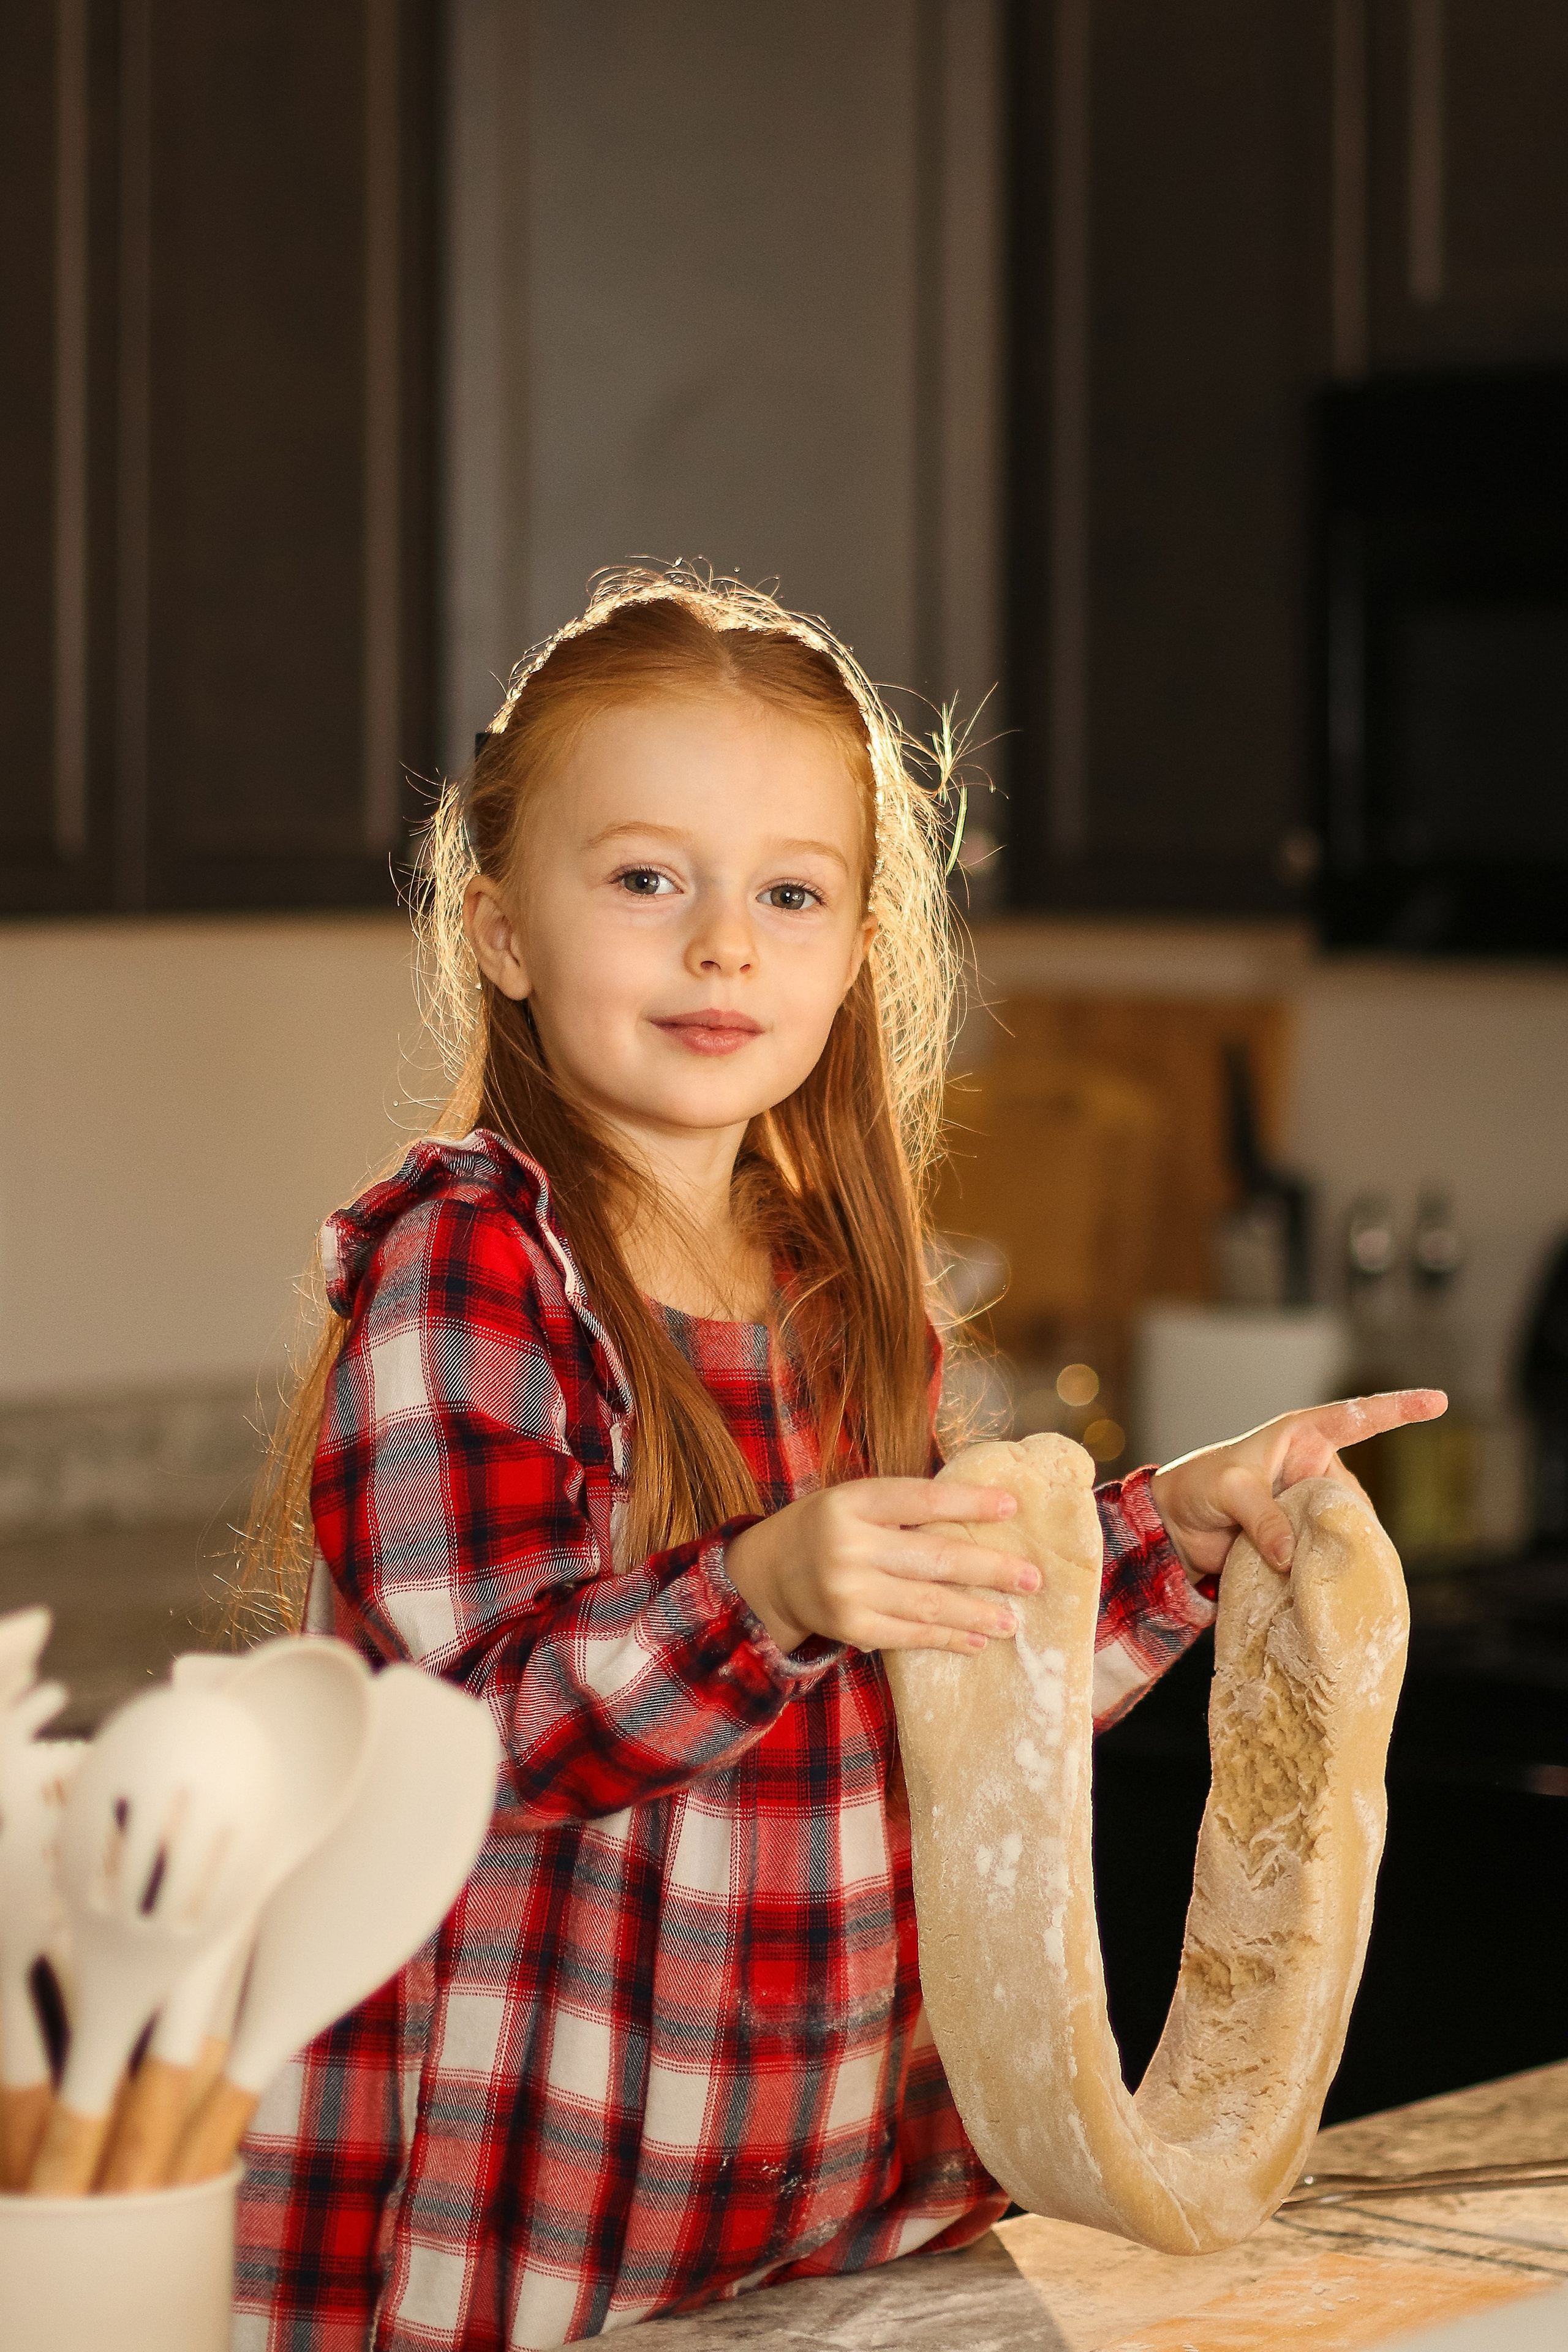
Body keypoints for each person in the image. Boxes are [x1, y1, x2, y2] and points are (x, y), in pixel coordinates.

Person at [232, 571, 1441, 2351]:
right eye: (649, 880)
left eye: (789, 894)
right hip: (532, 2234)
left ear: (859, 944)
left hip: (849, 2206)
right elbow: (460, 1748)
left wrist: (1177, 1528)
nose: (725, 946)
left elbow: (963, 1694)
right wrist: (764, 1587)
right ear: (502, 930)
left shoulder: (838, 1284)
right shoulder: (475, 1264)